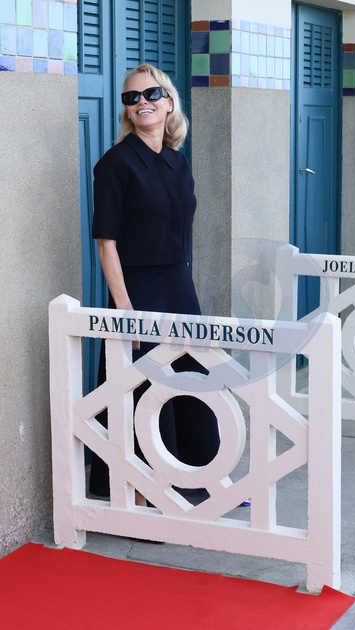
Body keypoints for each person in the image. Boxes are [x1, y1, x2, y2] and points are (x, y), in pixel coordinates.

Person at [88, 63, 220, 504]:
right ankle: (145, 492)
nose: (141, 102)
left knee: (193, 378)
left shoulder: (178, 163)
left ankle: (199, 479)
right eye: (131, 97)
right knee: (145, 387)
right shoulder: (115, 164)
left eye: (151, 94)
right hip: (138, 290)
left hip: (179, 287)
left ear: (168, 103)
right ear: (127, 111)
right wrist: (124, 308)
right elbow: (106, 243)